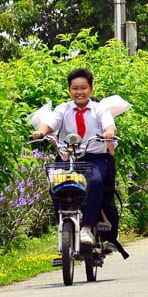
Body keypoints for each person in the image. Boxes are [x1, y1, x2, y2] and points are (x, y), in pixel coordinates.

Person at [32, 68, 116, 245]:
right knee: (55, 183)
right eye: (75, 88)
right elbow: (50, 124)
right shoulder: (63, 109)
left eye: (83, 88)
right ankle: (64, 224)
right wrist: (41, 131)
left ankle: (87, 227)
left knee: (96, 182)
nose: (79, 92)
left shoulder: (99, 109)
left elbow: (108, 124)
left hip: (94, 157)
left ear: (91, 89)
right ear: (69, 90)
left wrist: (108, 132)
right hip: (67, 158)